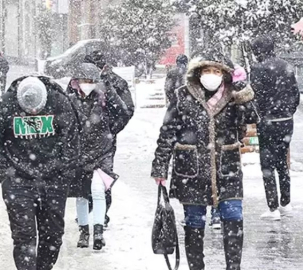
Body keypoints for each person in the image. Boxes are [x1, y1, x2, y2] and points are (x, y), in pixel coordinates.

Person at [151, 50, 258, 270]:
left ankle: (233, 267)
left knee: (233, 216)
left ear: (225, 74)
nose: (211, 75)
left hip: (226, 170)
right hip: (191, 170)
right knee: (194, 221)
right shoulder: (182, 96)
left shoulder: (233, 96)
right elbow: (167, 132)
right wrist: (160, 165)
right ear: (198, 73)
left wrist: (241, 90)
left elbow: (252, 117)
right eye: (207, 70)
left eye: (216, 70)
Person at [0, 76, 79, 270]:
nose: (34, 112)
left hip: (53, 180)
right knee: (24, 237)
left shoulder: (59, 102)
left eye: (38, 109)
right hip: (18, 180)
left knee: (52, 235)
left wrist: (64, 173)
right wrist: (5, 177)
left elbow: (71, 140)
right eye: (30, 110)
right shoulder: (4, 105)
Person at [67, 63, 131, 250]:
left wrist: (110, 131)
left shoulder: (105, 97)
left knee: (98, 190)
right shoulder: (70, 100)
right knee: (81, 194)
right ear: (76, 82)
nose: (86, 84)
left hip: (102, 151)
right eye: (83, 81)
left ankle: (98, 231)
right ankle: (84, 230)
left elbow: (123, 113)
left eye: (90, 81)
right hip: (79, 153)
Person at [250, 36, 300, 221]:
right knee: (282, 163)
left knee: (267, 164)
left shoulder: (258, 68)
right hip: (286, 121)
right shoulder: (285, 66)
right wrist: (288, 110)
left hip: (268, 122)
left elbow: (256, 96)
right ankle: (285, 203)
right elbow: (295, 94)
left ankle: (273, 208)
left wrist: (261, 115)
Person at [83, 51, 135, 227]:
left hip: (105, 139)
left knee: (103, 176)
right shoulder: (78, 81)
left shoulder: (116, 82)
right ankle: (87, 210)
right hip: (83, 139)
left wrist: (111, 129)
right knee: (83, 177)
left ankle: (102, 213)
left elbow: (126, 110)